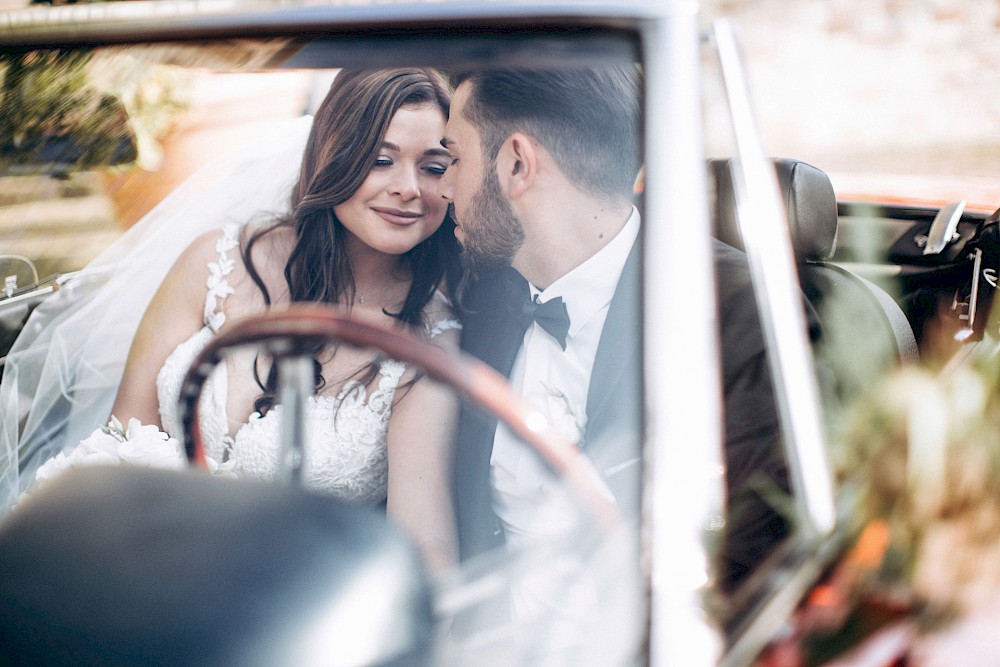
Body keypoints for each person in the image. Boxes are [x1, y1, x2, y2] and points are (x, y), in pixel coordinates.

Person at [2, 68, 463, 574]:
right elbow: (122, 436)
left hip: (277, 603)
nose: (408, 189)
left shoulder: (429, 347)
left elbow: (425, 542)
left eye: (435, 168)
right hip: (125, 552)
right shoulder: (216, 260)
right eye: (380, 160)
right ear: (334, 155)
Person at [440, 65, 790, 644]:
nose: (442, 188)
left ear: (517, 164)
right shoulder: (478, 296)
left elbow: (769, 555)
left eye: (453, 158)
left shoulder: (733, 310)